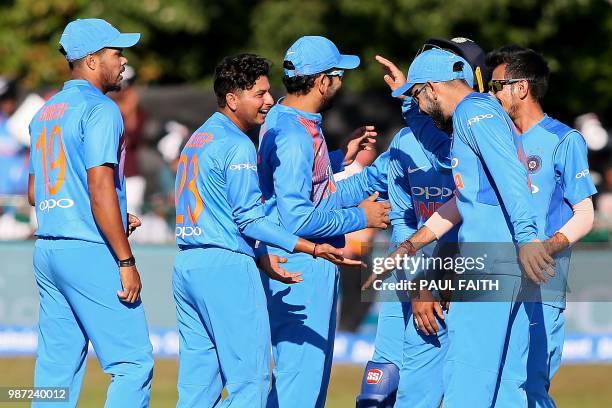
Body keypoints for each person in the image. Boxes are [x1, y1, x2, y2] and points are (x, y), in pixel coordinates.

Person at [172, 53, 364, 408]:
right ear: (232, 99)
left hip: (187, 265)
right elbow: (249, 219)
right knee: (252, 386)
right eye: (258, 94)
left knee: (198, 390)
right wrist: (312, 248)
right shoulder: (238, 144)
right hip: (227, 266)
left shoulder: (198, 138)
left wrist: (261, 256)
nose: (269, 101)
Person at [387, 48, 554, 407]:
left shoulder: (471, 112)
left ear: (432, 87)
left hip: (490, 260)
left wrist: (526, 237)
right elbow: (469, 199)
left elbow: (512, 178)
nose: (421, 105)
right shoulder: (485, 111)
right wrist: (413, 243)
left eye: (418, 96)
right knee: (508, 386)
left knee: (466, 380)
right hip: (508, 262)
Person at [257, 36, 391, 408]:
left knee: (300, 379)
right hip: (302, 262)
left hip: (296, 258)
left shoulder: (285, 117)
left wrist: (339, 161)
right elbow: (297, 217)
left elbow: (310, 191)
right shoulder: (296, 134)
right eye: (337, 74)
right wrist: (361, 216)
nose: (341, 81)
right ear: (321, 81)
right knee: (301, 381)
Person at [356, 37, 490, 408]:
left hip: (459, 276)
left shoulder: (479, 132)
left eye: (423, 84)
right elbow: (398, 212)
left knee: (452, 388)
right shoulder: (406, 139)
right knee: (376, 392)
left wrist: (405, 100)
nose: (421, 93)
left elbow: (449, 167)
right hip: (410, 272)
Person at [27, 18, 153, 407]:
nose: (123, 60)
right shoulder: (101, 108)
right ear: (93, 61)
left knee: (55, 372)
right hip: (87, 248)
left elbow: (35, 192)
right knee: (133, 364)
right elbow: (99, 187)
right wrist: (125, 258)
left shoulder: (45, 112)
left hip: (48, 250)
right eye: (116, 53)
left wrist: (111, 211)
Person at [486, 45, 596, 408]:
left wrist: (542, 250)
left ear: (521, 88)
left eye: (497, 84)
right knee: (493, 382)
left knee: (530, 386)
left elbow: (585, 215)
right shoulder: (492, 139)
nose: (491, 93)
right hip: (494, 279)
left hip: (542, 283)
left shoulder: (563, 140)